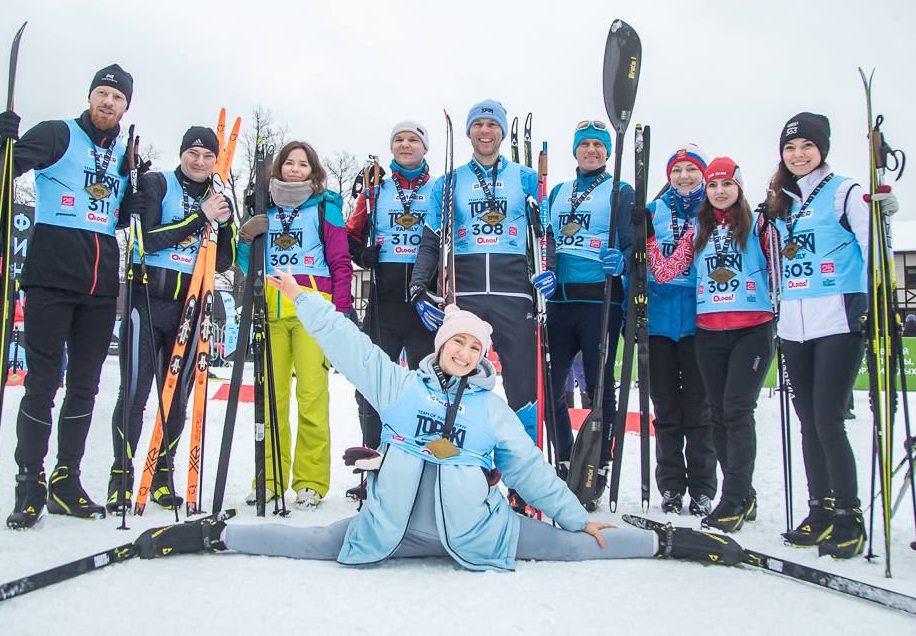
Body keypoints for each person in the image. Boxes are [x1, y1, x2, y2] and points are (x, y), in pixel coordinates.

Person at [134, 267, 743, 571]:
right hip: (388, 533)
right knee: (305, 544)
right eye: (457, 343)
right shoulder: (399, 387)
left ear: (482, 357)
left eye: (475, 348)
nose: (464, 353)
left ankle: (673, 543)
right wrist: (302, 298)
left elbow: (530, 470)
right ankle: (214, 535)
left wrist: (575, 517)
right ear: (442, 344)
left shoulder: (491, 409)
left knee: (576, 545)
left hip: (479, 536)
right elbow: (349, 344)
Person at [0, 63, 142, 529]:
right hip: (51, 279)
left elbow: (122, 213)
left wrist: (134, 203)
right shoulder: (58, 134)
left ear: (126, 106)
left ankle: (65, 482)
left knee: (86, 388)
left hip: (99, 288)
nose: (108, 103)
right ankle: (29, 481)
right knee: (43, 384)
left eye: (117, 97)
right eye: (102, 94)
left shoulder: (124, 155)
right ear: (90, 97)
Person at [407, 100, 547, 514]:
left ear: (502, 133)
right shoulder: (448, 182)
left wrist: (548, 271)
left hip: (514, 291)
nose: (485, 132)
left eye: (492, 125)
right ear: (469, 133)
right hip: (465, 292)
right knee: (459, 385)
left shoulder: (524, 178)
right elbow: (432, 239)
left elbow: (544, 236)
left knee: (524, 388)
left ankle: (525, 484)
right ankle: (458, 471)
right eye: (478, 125)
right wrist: (419, 285)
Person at [767, 112, 897, 558]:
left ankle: (849, 514)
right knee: (808, 424)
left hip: (839, 321)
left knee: (828, 421)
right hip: (794, 325)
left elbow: (876, 251)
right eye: (790, 147)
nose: (798, 154)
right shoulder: (782, 201)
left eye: (806, 145)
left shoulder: (845, 192)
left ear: (821, 148)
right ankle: (820, 510)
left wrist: (885, 225)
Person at [106, 126, 236, 514]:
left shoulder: (216, 197)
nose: (199, 161)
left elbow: (225, 260)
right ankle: (121, 476)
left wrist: (224, 224)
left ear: (216, 161)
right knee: (134, 391)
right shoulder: (155, 184)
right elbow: (147, 237)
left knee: (177, 398)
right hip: (146, 299)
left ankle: (162, 473)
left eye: (207, 156)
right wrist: (200, 217)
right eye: (192, 153)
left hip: (190, 307)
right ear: (182, 154)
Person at [646, 157, 775, 533]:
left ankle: (733, 495)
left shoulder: (758, 223)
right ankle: (736, 495)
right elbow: (666, 271)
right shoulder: (698, 228)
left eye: (725, 184)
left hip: (751, 327)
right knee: (719, 414)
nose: (719, 191)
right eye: (715, 186)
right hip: (709, 328)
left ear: (738, 187)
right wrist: (650, 238)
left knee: (733, 412)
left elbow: (785, 253)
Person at [237, 141, 353, 511]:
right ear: (278, 168)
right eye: (289, 163)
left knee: (312, 399)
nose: (295, 169)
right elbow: (246, 266)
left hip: (312, 313)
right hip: (270, 312)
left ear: (313, 171)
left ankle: (310, 482)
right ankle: (269, 478)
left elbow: (340, 262)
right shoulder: (263, 208)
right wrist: (245, 238)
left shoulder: (325, 209)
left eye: (303, 164)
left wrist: (341, 313)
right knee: (271, 400)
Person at [344, 121, 437, 500]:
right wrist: (359, 254)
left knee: (428, 389)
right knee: (372, 387)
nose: (405, 144)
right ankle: (372, 467)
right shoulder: (375, 188)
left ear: (425, 148)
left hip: (424, 304)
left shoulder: (439, 188)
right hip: (383, 302)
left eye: (413, 139)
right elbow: (349, 235)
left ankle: (426, 470)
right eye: (398, 139)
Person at [544, 119, 634, 508]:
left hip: (601, 301)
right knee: (551, 388)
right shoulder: (560, 192)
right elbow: (546, 239)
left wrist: (623, 262)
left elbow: (634, 246)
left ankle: (598, 464)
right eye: (585, 146)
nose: (592, 151)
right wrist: (544, 268)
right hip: (560, 301)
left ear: (607, 152)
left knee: (599, 390)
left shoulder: (621, 191)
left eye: (599, 146)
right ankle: (566, 458)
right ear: (576, 151)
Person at [645, 145, 716, 516]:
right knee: (666, 410)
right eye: (677, 170)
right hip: (658, 325)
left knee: (699, 411)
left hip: (700, 324)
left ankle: (703, 488)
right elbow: (637, 261)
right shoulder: (654, 211)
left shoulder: (714, 211)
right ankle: (671, 486)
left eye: (691, 169)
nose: (684, 176)